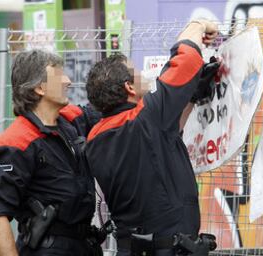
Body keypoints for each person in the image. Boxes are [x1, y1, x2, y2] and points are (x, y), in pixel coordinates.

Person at [85, 20, 219, 256]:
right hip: (168, 248)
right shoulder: (145, 118)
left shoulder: (96, 137)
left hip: (132, 248)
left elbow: (163, 140)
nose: (143, 75)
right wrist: (198, 25)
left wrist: (191, 97)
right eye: (135, 72)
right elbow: (186, 57)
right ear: (129, 87)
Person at [0, 49, 102, 256]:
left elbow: (109, 111)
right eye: (59, 75)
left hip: (84, 244)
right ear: (39, 88)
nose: (68, 81)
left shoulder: (70, 119)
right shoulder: (16, 140)